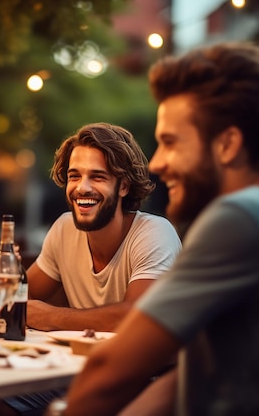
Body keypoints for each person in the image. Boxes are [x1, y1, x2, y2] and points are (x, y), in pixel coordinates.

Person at [59, 42, 259, 415]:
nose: (157, 164)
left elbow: (110, 371)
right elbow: (184, 380)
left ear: (227, 144)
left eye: (170, 143)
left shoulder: (240, 219)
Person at [26, 122, 181, 332]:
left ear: (124, 186)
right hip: (76, 359)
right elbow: (20, 295)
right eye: (74, 176)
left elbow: (137, 317)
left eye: (97, 177)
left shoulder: (155, 233)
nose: (82, 187)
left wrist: (52, 317)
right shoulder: (64, 228)